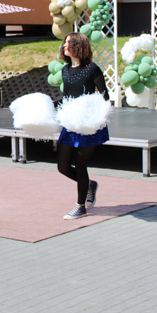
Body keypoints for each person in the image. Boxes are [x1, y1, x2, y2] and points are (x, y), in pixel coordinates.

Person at [56, 32, 107, 220]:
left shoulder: (92, 69)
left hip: (88, 123)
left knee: (80, 165)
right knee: (62, 166)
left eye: (68, 43)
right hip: (70, 123)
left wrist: (92, 115)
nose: (64, 46)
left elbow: (104, 96)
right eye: (64, 43)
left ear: (78, 46)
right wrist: (49, 105)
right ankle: (90, 185)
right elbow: (67, 96)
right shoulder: (65, 70)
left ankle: (80, 207)